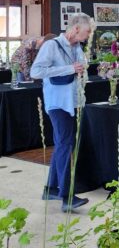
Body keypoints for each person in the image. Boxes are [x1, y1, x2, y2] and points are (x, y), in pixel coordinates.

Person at [31, 14, 92, 211]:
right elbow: (36, 72)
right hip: (58, 104)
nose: (89, 35)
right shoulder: (51, 46)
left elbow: (80, 69)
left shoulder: (77, 47)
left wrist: (81, 69)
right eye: (87, 31)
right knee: (66, 145)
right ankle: (67, 196)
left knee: (63, 145)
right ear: (75, 29)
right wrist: (68, 69)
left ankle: (50, 189)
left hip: (74, 101)